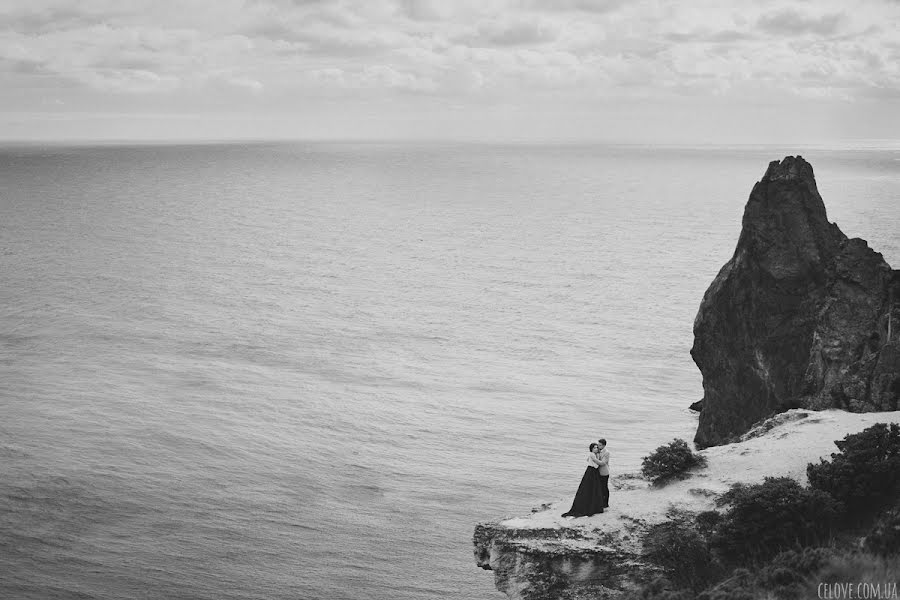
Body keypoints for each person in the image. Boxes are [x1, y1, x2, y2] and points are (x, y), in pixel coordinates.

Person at [561, 443, 605, 517]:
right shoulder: (592, 454)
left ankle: (595, 507)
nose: (596, 449)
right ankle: (591, 507)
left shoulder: (593, 455)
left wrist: (597, 457)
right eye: (594, 448)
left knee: (594, 489)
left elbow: (587, 460)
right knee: (589, 489)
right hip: (591, 472)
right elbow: (596, 464)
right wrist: (600, 461)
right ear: (591, 449)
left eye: (597, 447)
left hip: (593, 472)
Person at [597, 438, 610, 509]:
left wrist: (594, 460)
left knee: (604, 487)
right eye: (598, 445)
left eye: (600, 445)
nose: (598, 446)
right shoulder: (597, 451)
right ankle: (600, 502)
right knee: (599, 488)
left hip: (604, 472)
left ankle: (606, 503)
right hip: (598, 472)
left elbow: (603, 463)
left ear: (604, 445)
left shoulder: (607, 452)